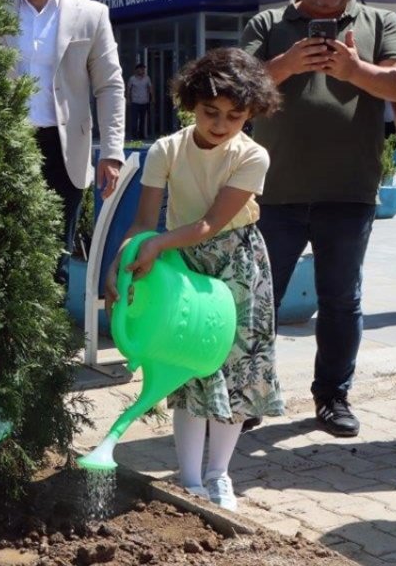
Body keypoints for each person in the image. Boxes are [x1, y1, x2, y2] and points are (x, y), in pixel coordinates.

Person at [240, 0, 396, 438]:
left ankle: (332, 398)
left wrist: (356, 68)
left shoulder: (380, 22)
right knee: (259, 301)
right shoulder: (268, 22)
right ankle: (250, 396)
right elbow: (237, 88)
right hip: (274, 192)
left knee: (342, 300)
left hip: (348, 192)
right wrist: (289, 63)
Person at [106, 48, 285, 512]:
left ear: (251, 113)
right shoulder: (165, 149)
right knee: (183, 365)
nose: (221, 124)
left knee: (234, 369)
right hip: (183, 266)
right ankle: (189, 480)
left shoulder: (253, 156)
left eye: (235, 115)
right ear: (190, 103)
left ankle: (219, 474)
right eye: (211, 112)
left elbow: (210, 223)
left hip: (238, 265)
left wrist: (157, 245)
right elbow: (143, 221)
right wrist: (119, 265)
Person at [4, 0, 125, 283]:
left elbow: (109, 85)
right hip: (8, 146)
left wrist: (112, 152)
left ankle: (50, 337)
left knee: (56, 254)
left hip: (64, 149)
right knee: (8, 251)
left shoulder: (91, 14)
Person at [127, 63, 154, 140]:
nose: (143, 71)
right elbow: (129, 89)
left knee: (143, 120)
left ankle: (142, 135)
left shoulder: (147, 78)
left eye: (143, 69)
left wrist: (152, 99)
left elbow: (150, 88)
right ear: (137, 70)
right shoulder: (132, 79)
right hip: (135, 102)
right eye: (141, 69)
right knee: (134, 120)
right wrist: (128, 99)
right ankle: (134, 136)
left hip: (145, 102)